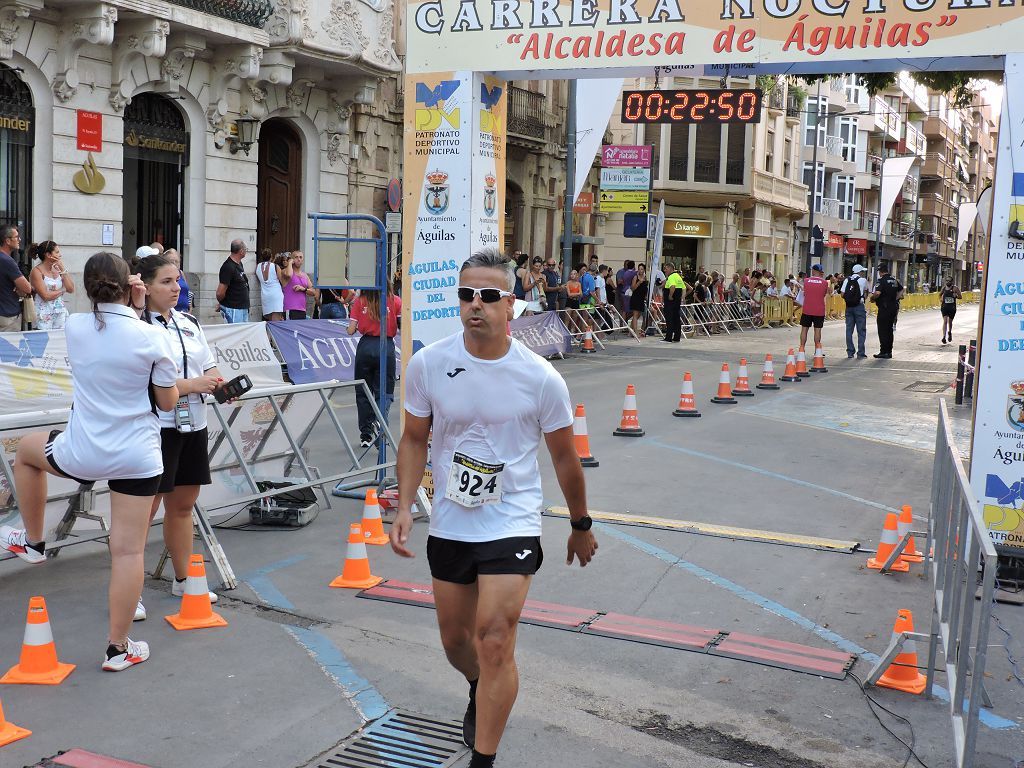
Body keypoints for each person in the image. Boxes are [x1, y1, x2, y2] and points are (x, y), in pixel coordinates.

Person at [390, 247, 596, 768]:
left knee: (495, 638)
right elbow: (414, 439)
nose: (474, 305)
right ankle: (479, 684)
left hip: (513, 518)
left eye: (487, 296)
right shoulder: (429, 364)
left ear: (511, 304)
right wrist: (404, 506)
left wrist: (579, 524)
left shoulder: (541, 378)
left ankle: (484, 757)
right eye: (466, 295)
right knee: (458, 642)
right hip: (452, 519)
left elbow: (565, 458)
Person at [1, 252, 179, 671]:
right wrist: (137, 308)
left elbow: (100, 320)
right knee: (128, 552)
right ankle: (117, 648)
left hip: (82, 452)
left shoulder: (76, 325)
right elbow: (167, 400)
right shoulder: (152, 337)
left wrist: (127, 304)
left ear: (89, 287)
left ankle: (34, 540)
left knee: (26, 451)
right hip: (136, 455)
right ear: (130, 285)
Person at [135, 253, 224, 622]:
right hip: (157, 428)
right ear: (144, 286)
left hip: (194, 424)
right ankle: (131, 590)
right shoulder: (136, 327)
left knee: (183, 504)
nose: (176, 288)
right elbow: (144, 383)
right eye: (166, 282)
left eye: (177, 281)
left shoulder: (189, 321)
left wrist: (219, 385)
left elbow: (209, 366)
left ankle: (183, 578)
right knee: (142, 512)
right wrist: (193, 385)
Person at [347, 280, 401, 447]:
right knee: (384, 391)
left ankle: (366, 434)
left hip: (366, 346)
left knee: (363, 391)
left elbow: (350, 330)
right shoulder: (395, 301)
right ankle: (381, 428)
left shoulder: (360, 301)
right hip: (386, 346)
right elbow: (402, 327)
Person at [29, 240, 74, 330]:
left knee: (60, 341)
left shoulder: (57, 269)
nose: (60, 255)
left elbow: (71, 288)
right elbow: (45, 295)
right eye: (57, 252)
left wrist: (63, 269)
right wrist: (62, 290)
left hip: (60, 311)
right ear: (48, 255)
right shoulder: (37, 271)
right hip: (44, 314)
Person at [0, 225, 30, 331]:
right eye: (16, 237)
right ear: (7, 240)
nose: (19, 239)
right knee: (8, 347)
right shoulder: (7, 261)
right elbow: (27, 288)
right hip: (8, 316)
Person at [871, 263, 904, 359]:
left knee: (882, 330)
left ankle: (883, 351)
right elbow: (901, 290)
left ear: (880, 272)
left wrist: (873, 298)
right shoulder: (894, 280)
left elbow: (877, 293)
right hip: (893, 307)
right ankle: (889, 351)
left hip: (884, 308)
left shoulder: (881, 281)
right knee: (889, 329)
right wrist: (895, 298)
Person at [217, 239, 250, 323]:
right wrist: (224, 304)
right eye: (246, 249)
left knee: (243, 335)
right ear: (241, 251)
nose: (246, 251)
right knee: (235, 334)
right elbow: (220, 293)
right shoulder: (228, 267)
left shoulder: (239, 264)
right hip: (234, 309)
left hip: (242, 308)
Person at [840, 264, 870, 359]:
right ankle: (860, 352)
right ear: (860, 272)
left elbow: (842, 294)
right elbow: (866, 292)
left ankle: (850, 352)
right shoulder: (863, 280)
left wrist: (850, 298)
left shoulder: (847, 280)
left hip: (849, 307)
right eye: (862, 271)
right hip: (859, 307)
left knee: (849, 330)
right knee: (861, 330)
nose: (863, 273)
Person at [799, 264, 829, 352]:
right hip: (819, 310)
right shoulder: (824, 283)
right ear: (820, 272)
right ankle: (817, 350)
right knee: (817, 331)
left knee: (804, 329)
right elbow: (823, 295)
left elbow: (805, 293)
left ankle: (802, 348)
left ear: (813, 270)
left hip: (807, 309)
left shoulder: (806, 281)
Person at [256, 248, 288, 321]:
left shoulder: (258, 266)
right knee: (276, 321)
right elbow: (283, 282)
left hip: (265, 296)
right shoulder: (275, 266)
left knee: (269, 320)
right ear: (271, 256)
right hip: (276, 294)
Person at [283, 250, 317, 320]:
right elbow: (289, 275)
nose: (299, 259)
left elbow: (314, 292)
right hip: (290, 308)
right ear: (292, 259)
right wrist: (289, 263)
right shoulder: (286, 271)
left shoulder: (305, 275)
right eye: (296, 257)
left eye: (301, 257)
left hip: (302, 310)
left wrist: (303, 289)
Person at [662, 262, 685, 343]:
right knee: (676, 318)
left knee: (669, 318)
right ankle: (676, 337)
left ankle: (668, 337)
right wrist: (682, 298)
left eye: (666, 268)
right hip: (677, 302)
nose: (664, 270)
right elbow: (684, 288)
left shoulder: (671, 277)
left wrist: (670, 296)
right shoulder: (678, 276)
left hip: (670, 302)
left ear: (670, 268)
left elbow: (672, 286)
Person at [940, 277, 962, 345]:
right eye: (947, 281)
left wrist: (955, 296)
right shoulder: (944, 288)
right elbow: (940, 295)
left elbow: (960, 297)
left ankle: (949, 332)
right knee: (945, 321)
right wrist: (941, 299)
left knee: (950, 321)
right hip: (944, 307)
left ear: (952, 282)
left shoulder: (955, 288)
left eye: (949, 281)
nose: (948, 282)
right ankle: (944, 337)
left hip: (952, 307)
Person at [629, 262, 648, 335]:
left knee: (638, 315)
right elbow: (632, 288)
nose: (640, 271)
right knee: (635, 314)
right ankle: (635, 332)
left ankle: (630, 331)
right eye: (639, 269)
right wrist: (639, 283)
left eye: (642, 269)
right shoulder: (635, 277)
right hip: (635, 297)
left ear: (644, 270)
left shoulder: (645, 278)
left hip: (641, 298)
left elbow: (645, 288)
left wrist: (646, 297)